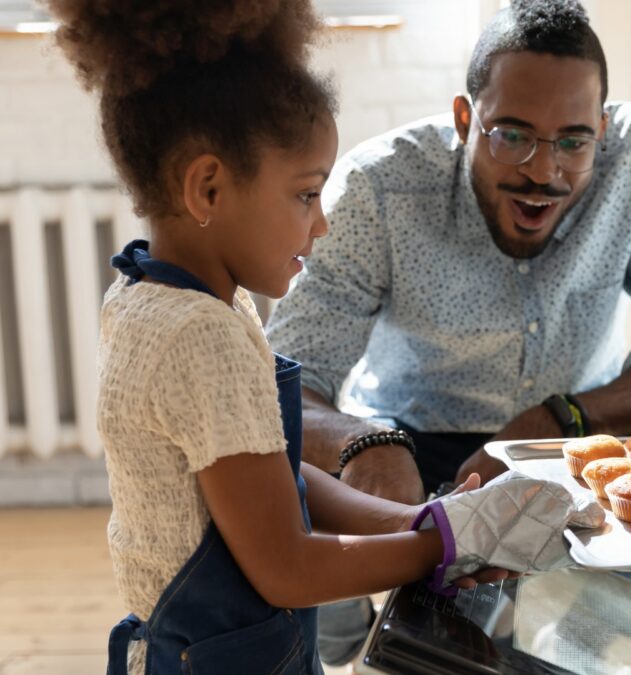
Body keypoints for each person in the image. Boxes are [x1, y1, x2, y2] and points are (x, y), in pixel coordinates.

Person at [48, 1, 594, 672]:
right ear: (209, 187)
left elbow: (262, 468)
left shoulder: (157, 294)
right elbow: (286, 566)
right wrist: (451, 542)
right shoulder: (200, 336)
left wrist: (413, 522)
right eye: (307, 195)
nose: (322, 225)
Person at [266, 0, 631, 505]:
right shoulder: (379, 188)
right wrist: (363, 444)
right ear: (465, 120)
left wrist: (555, 418)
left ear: (601, 130)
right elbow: (281, 381)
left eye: (573, 142)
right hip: (409, 442)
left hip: (580, 432)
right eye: (512, 136)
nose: (542, 171)